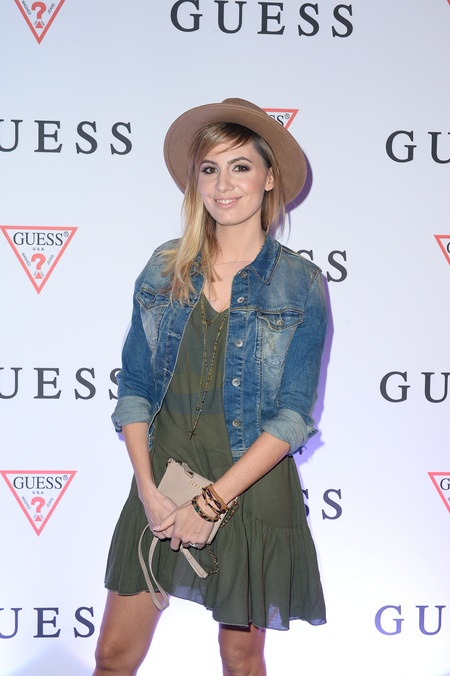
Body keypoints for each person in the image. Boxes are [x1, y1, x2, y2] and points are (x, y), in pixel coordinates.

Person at [94, 98, 327, 676]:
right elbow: (135, 385)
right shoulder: (165, 267)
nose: (223, 185)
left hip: (249, 482)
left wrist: (214, 500)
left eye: (240, 166)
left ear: (268, 178)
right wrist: (147, 487)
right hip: (164, 477)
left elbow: (293, 415)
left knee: (240, 656)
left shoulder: (300, 283)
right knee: (113, 656)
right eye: (209, 168)